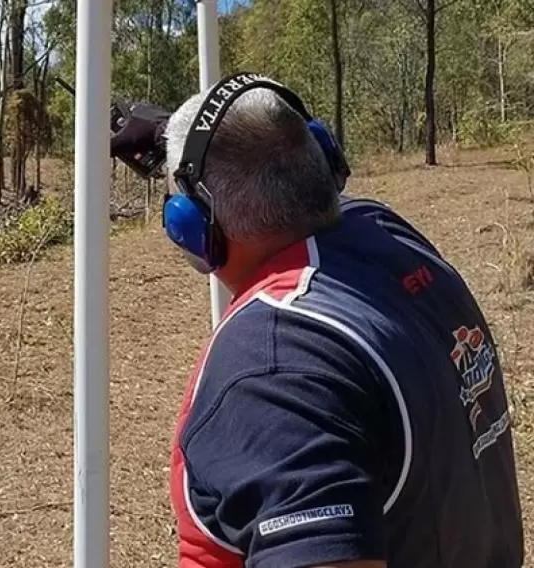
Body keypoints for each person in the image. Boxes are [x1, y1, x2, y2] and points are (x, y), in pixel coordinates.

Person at [156, 73, 523, 567]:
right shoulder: (381, 232)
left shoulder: (273, 365)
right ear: (326, 157)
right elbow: (273, 167)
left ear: (192, 228)